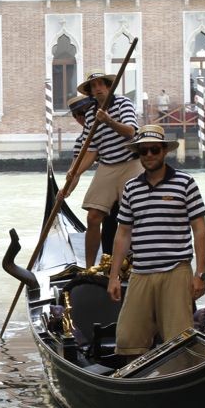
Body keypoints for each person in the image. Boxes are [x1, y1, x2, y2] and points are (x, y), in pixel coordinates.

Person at [107, 124, 205, 357]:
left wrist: (200, 274)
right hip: (140, 272)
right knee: (127, 338)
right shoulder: (131, 188)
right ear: (139, 154)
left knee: (179, 341)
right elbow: (123, 234)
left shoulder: (185, 183)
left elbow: (200, 231)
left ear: (164, 151)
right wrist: (113, 276)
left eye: (154, 150)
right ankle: (139, 376)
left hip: (176, 271)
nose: (149, 155)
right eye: (144, 151)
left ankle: (179, 372)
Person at [64, 69, 142, 268]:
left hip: (131, 163)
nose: (98, 88)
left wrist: (108, 120)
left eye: (101, 84)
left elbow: (130, 132)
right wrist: (74, 174)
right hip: (107, 166)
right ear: (90, 91)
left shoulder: (123, 103)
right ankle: (90, 268)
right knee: (93, 217)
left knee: (133, 217)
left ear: (108, 87)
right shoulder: (91, 115)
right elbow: (91, 151)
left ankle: (137, 262)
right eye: (94, 86)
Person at [67, 94, 118, 255]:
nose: (79, 118)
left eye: (82, 113)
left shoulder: (110, 127)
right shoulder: (80, 141)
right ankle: (108, 259)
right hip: (108, 179)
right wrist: (66, 191)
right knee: (106, 218)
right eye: (75, 115)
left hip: (126, 175)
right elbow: (75, 171)